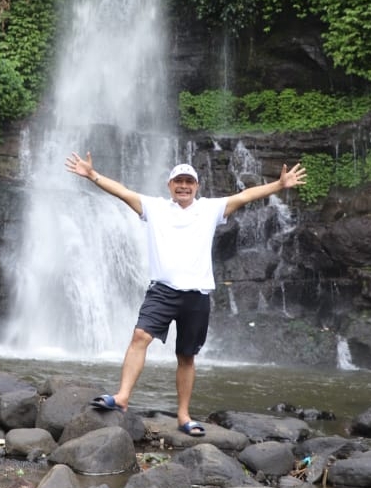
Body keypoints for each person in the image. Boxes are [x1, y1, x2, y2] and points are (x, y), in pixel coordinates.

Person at [65, 150, 307, 436]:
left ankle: (183, 415)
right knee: (140, 336)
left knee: (186, 356)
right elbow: (123, 192)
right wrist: (92, 175)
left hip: (196, 296)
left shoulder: (209, 209)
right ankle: (122, 397)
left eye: (188, 181)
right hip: (162, 291)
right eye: (178, 181)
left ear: (197, 186)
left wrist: (278, 186)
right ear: (170, 186)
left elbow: (245, 197)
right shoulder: (154, 208)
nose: (183, 186)